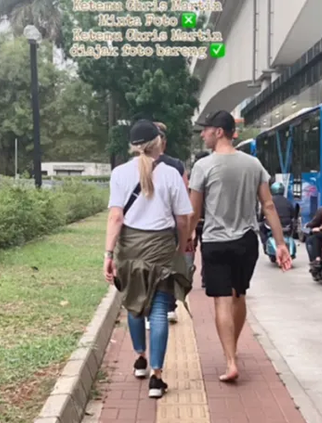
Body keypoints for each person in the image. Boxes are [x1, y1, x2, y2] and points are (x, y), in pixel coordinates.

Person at [189, 110, 292, 383]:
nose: (203, 134)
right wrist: (280, 243)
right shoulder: (254, 164)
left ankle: (231, 360)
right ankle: (232, 348)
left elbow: (194, 210)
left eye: (206, 129)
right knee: (239, 295)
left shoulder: (203, 166)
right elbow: (268, 205)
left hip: (216, 241)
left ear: (219, 131)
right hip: (246, 241)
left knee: (222, 301)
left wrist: (186, 239)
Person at [103, 119, 193, 399]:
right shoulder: (170, 174)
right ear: (158, 144)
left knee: (133, 304)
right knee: (158, 310)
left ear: (132, 146)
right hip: (162, 248)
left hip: (129, 248)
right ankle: (157, 377)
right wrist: (180, 246)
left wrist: (108, 253)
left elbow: (116, 217)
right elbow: (183, 219)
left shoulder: (119, 173)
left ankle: (140, 359)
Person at [152, 121, 189, 325]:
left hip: (142, 230)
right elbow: (184, 200)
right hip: (171, 226)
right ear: (163, 142)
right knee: (170, 267)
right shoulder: (176, 165)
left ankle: (152, 307)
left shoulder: (132, 166)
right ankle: (169, 306)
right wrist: (186, 235)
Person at [191, 150, 211, 288]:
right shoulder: (212, 176)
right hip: (207, 221)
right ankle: (205, 278)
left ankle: (186, 278)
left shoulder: (190, 177)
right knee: (206, 251)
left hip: (194, 221)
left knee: (189, 251)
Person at [259, 182, 296, 248]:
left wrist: (260, 219)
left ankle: (265, 244)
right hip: (287, 225)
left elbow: (262, 214)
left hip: (271, 224)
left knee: (261, 227)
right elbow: (293, 214)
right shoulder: (288, 201)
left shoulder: (269, 201)